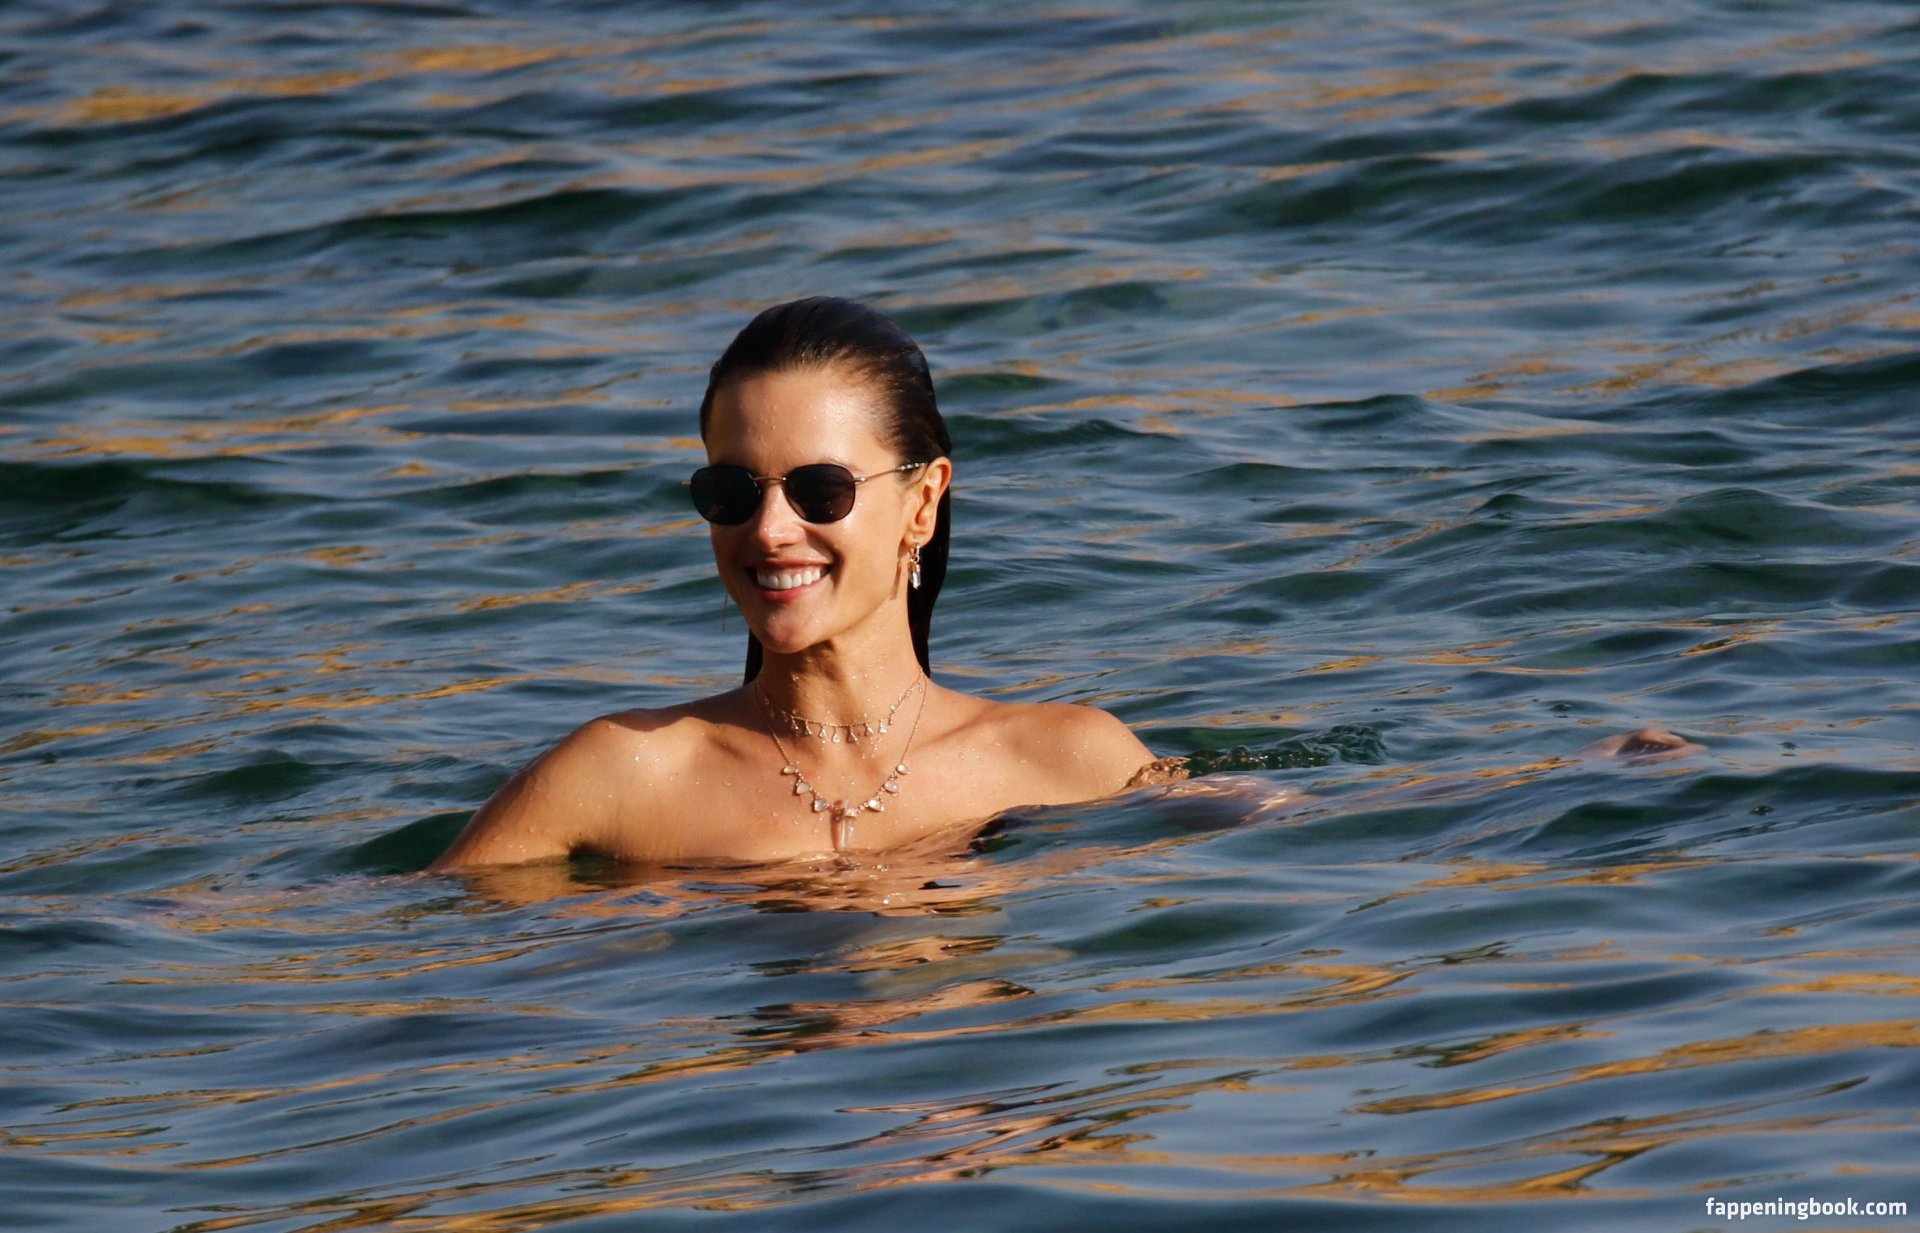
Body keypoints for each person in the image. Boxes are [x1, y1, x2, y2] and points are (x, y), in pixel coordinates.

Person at [430, 297, 1172, 870]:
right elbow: (421, 947)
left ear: (922, 504)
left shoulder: (1072, 763)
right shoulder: (619, 776)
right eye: (733, 492)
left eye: (821, 489)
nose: (769, 530)